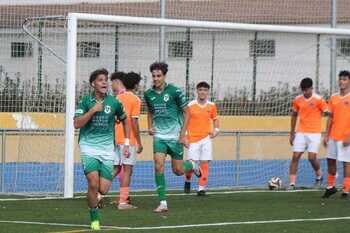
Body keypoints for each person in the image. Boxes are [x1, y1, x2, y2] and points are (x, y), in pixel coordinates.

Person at [74, 68, 130, 230]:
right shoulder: (85, 102)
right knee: (93, 183)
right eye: (100, 80)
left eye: (106, 79)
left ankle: (94, 200)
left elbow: (125, 120)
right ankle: (94, 218)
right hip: (89, 148)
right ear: (93, 84)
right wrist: (92, 111)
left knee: (103, 188)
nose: (105, 82)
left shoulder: (114, 102)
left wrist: (126, 142)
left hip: (107, 150)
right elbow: (77, 124)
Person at [144, 62, 199, 213]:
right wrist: (150, 126)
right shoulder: (148, 94)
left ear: (164, 76)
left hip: (175, 137)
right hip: (159, 137)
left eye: (158, 76)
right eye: (154, 76)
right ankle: (163, 202)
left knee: (178, 170)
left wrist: (182, 135)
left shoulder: (174, 91)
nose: (156, 78)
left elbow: (188, 112)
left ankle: (192, 165)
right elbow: (150, 111)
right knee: (158, 165)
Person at [181, 81, 219, 196]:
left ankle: (201, 188)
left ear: (208, 92)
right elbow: (184, 122)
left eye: (205, 90)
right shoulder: (190, 105)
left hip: (206, 139)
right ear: (197, 91)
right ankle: (187, 180)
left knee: (205, 163)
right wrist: (185, 137)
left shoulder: (211, 106)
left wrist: (216, 130)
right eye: (200, 90)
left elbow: (215, 119)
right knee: (191, 165)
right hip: (192, 139)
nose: (203, 92)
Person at [288, 78, 327, 189]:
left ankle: (319, 176)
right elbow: (294, 115)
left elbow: (327, 111)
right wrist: (292, 133)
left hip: (315, 133)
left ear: (311, 88)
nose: (305, 92)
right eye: (303, 90)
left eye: (307, 90)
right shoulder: (297, 100)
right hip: (301, 132)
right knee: (295, 156)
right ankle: (292, 183)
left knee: (311, 157)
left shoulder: (319, 99)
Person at [113, 71, 143, 209]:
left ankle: (98, 195)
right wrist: (139, 141)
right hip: (127, 140)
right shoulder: (135, 100)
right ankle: (123, 202)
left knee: (114, 168)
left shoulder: (117, 98)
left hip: (115, 138)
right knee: (127, 170)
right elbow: (134, 122)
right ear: (136, 85)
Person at [322, 70, 350, 198]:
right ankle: (330, 186)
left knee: (346, 162)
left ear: (349, 81)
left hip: (345, 136)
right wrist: (326, 134)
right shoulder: (333, 97)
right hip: (333, 135)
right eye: (340, 79)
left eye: (344, 79)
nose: (341, 81)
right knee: (330, 160)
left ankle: (346, 189)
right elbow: (330, 118)